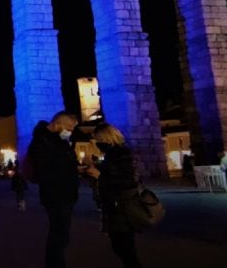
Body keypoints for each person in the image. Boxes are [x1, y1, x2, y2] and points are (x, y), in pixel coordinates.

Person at [83, 123, 142, 268]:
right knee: (120, 246)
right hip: (114, 205)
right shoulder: (112, 154)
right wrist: (96, 166)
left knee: (124, 247)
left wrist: (100, 175)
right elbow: (113, 171)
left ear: (106, 138)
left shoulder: (123, 153)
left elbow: (129, 180)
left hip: (122, 205)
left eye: (98, 139)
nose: (96, 143)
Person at [28, 111, 80, 268]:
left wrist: (76, 169)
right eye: (69, 128)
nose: (70, 132)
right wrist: (69, 169)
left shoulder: (59, 140)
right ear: (58, 124)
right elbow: (43, 171)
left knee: (62, 235)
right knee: (59, 235)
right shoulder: (41, 142)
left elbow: (65, 162)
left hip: (66, 194)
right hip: (56, 195)